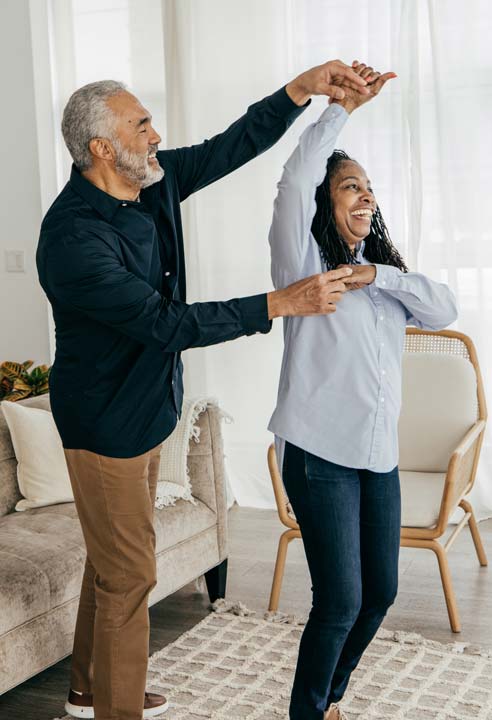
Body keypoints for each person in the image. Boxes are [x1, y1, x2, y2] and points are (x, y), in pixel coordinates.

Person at [36, 60, 369, 720]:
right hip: (103, 427)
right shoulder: (74, 239)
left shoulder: (151, 183)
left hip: (147, 408)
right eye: (142, 124)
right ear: (102, 147)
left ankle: (87, 687)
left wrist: (303, 91)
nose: (157, 134)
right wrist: (281, 302)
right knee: (131, 575)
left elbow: (233, 145)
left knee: (113, 562)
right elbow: (167, 325)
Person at [267, 63, 458, 720]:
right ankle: (307, 713)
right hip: (318, 454)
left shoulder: (383, 285)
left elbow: (444, 308)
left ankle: (329, 699)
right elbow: (295, 178)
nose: (366, 197)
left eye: (371, 189)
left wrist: (378, 274)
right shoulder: (304, 265)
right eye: (351, 186)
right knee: (339, 601)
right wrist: (342, 111)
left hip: (377, 458)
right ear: (327, 199)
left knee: (379, 593)